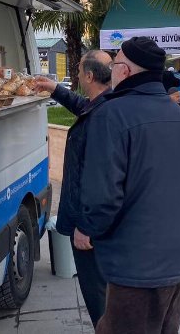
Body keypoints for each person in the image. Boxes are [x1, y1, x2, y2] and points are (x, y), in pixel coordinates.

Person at [77, 37, 180, 334]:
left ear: (124, 71)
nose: (111, 70)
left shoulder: (111, 115)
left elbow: (102, 197)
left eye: (114, 64)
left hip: (134, 262)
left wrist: (89, 228)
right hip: (176, 256)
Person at [33, 50, 112, 326]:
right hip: (97, 224)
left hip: (91, 228)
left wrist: (85, 226)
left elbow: (99, 178)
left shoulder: (104, 115)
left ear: (89, 76)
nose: (76, 75)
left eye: (78, 70)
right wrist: (54, 88)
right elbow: (83, 106)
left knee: (98, 293)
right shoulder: (104, 104)